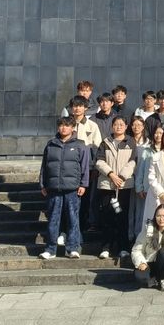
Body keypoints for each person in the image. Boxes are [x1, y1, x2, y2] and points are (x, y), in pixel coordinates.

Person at [38, 116, 90, 260]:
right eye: (61, 125)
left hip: (72, 188)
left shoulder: (80, 145)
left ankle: (73, 248)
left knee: (73, 219)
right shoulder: (51, 144)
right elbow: (44, 166)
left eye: (67, 125)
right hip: (54, 188)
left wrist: (84, 184)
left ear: (72, 128)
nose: (63, 128)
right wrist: (42, 184)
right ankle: (50, 249)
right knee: (53, 219)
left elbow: (85, 166)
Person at [95, 116, 136, 260]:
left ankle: (123, 247)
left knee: (122, 216)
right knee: (108, 215)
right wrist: (111, 174)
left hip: (123, 187)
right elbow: (99, 161)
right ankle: (106, 247)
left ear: (126, 126)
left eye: (121, 124)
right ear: (112, 126)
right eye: (116, 124)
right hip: (108, 186)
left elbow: (133, 162)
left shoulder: (130, 142)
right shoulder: (105, 142)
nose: (119, 126)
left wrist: (122, 177)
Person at [70, 95, 102, 232]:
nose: (77, 109)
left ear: (85, 108)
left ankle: (82, 227)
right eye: (75, 106)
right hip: (70, 169)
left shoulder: (92, 125)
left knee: (85, 198)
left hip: (87, 168)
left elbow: (98, 148)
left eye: (80, 106)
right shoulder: (67, 125)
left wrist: (94, 167)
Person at [132, 126, 162, 238]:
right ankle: (140, 239)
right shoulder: (147, 151)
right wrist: (139, 187)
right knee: (143, 216)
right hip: (146, 189)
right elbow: (140, 170)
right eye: (156, 133)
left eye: (161, 133)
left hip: (161, 190)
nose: (158, 135)